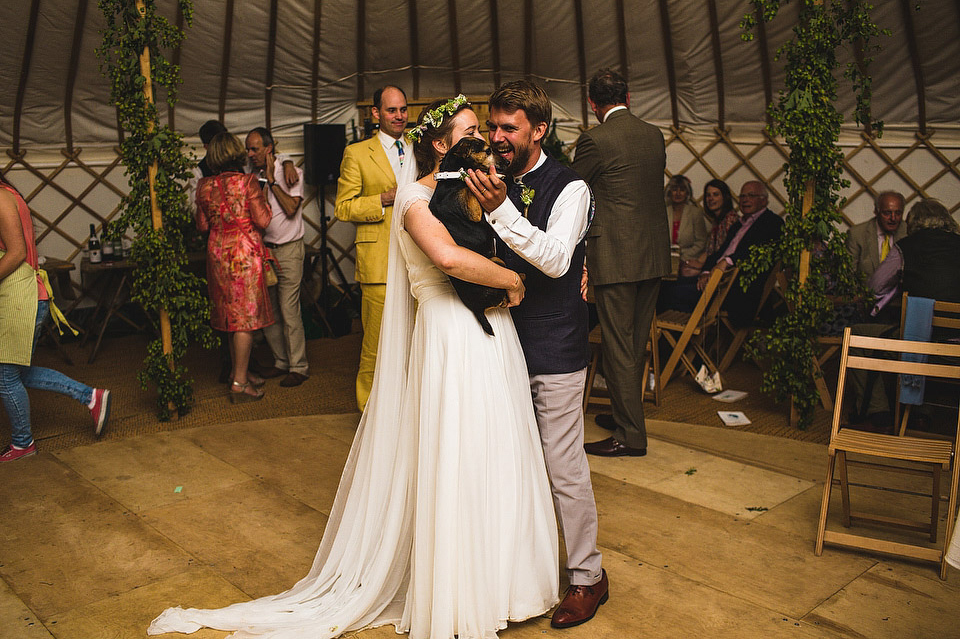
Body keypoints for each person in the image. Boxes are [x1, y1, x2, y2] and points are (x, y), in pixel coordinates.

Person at [148, 97, 558, 638]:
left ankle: (509, 582)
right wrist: (513, 281)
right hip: (451, 335)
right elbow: (451, 259)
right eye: (469, 130)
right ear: (440, 143)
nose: (481, 137)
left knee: (495, 446)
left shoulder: (473, 193)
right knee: (457, 451)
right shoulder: (415, 198)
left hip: (489, 331)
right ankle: (464, 593)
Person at [465, 79, 608, 629]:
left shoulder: (570, 186)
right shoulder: (486, 174)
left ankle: (588, 577)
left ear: (539, 130)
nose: (497, 137)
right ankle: (515, 573)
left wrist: (500, 210)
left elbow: (553, 259)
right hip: (496, 342)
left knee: (562, 465)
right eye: (493, 127)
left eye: (509, 129)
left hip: (553, 345)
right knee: (507, 461)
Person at [570, 67, 672, 459]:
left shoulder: (595, 140)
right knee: (636, 341)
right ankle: (625, 416)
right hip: (652, 255)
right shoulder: (653, 134)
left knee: (617, 346)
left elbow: (574, 189)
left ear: (593, 104)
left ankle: (630, 437)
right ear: (628, 98)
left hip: (615, 254)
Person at [0, 174, 111, 462]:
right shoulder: (8, 193)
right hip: (22, 297)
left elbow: (16, 253)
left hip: (19, 299)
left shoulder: (0, 196)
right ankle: (90, 397)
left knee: (4, 375)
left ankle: (23, 444)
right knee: (15, 372)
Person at [847, 199, 960, 431]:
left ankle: (877, 413)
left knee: (858, 336)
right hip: (957, 349)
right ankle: (922, 413)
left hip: (921, 346)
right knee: (923, 337)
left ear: (913, 223)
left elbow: (874, 287)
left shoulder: (906, 247)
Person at [335, 85, 410, 410]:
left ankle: (405, 409)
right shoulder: (357, 152)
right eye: (392, 110)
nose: (399, 116)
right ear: (376, 113)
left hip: (416, 260)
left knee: (412, 340)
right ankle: (368, 410)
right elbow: (343, 207)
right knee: (376, 344)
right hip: (378, 262)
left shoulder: (417, 148)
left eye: (403, 110)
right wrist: (382, 199)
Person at [196, 132, 275, 403]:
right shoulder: (247, 182)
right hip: (243, 254)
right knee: (245, 320)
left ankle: (236, 373)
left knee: (231, 318)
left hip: (217, 253)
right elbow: (263, 220)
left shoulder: (204, 186)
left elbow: (202, 226)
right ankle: (240, 383)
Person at [659, 180, 784, 329]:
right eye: (742, 196)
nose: (745, 200)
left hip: (731, 289)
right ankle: (666, 340)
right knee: (665, 285)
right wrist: (705, 271)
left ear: (764, 200)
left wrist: (727, 262)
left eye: (751, 196)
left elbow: (755, 251)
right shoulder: (740, 224)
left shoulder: (772, 222)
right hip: (715, 280)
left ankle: (676, 343)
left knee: (672, 293)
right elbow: (719, 253)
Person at [245, 127, 309, 388]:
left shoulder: (291, 172)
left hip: (289, 249)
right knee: (269, 310)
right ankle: (281, 361)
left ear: (269, 148)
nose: (250, 154)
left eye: (255, 149)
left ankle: (299, 367)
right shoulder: (250, 174)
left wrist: (273, 180)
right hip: (265, 250)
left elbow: (292, 208)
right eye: (248, 149)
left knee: (288, 308)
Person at [846, 190, 906, 281]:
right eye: (887, 213)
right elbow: (848, 274)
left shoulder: (908, 232)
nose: (893, 218)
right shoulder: (857, 235)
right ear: (876, 211)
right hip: (865, 293)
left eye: (898, 213)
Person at [665, 174, 709, 277]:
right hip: (665, 261)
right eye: (675, 189)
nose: (678, 193)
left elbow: (701, 242)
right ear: (669, 192)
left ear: (687, 193)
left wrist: (681, 257)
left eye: (682, 190)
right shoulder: (663, 212)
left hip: (688, 262)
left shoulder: (695, 213)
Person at [701, 178, 738, 262]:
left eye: (716, 194)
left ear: (725, 197)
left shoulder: (730, 220)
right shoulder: (717, 221)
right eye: (708, 195)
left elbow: (725, 252)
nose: (711, 198)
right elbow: (709, 252)